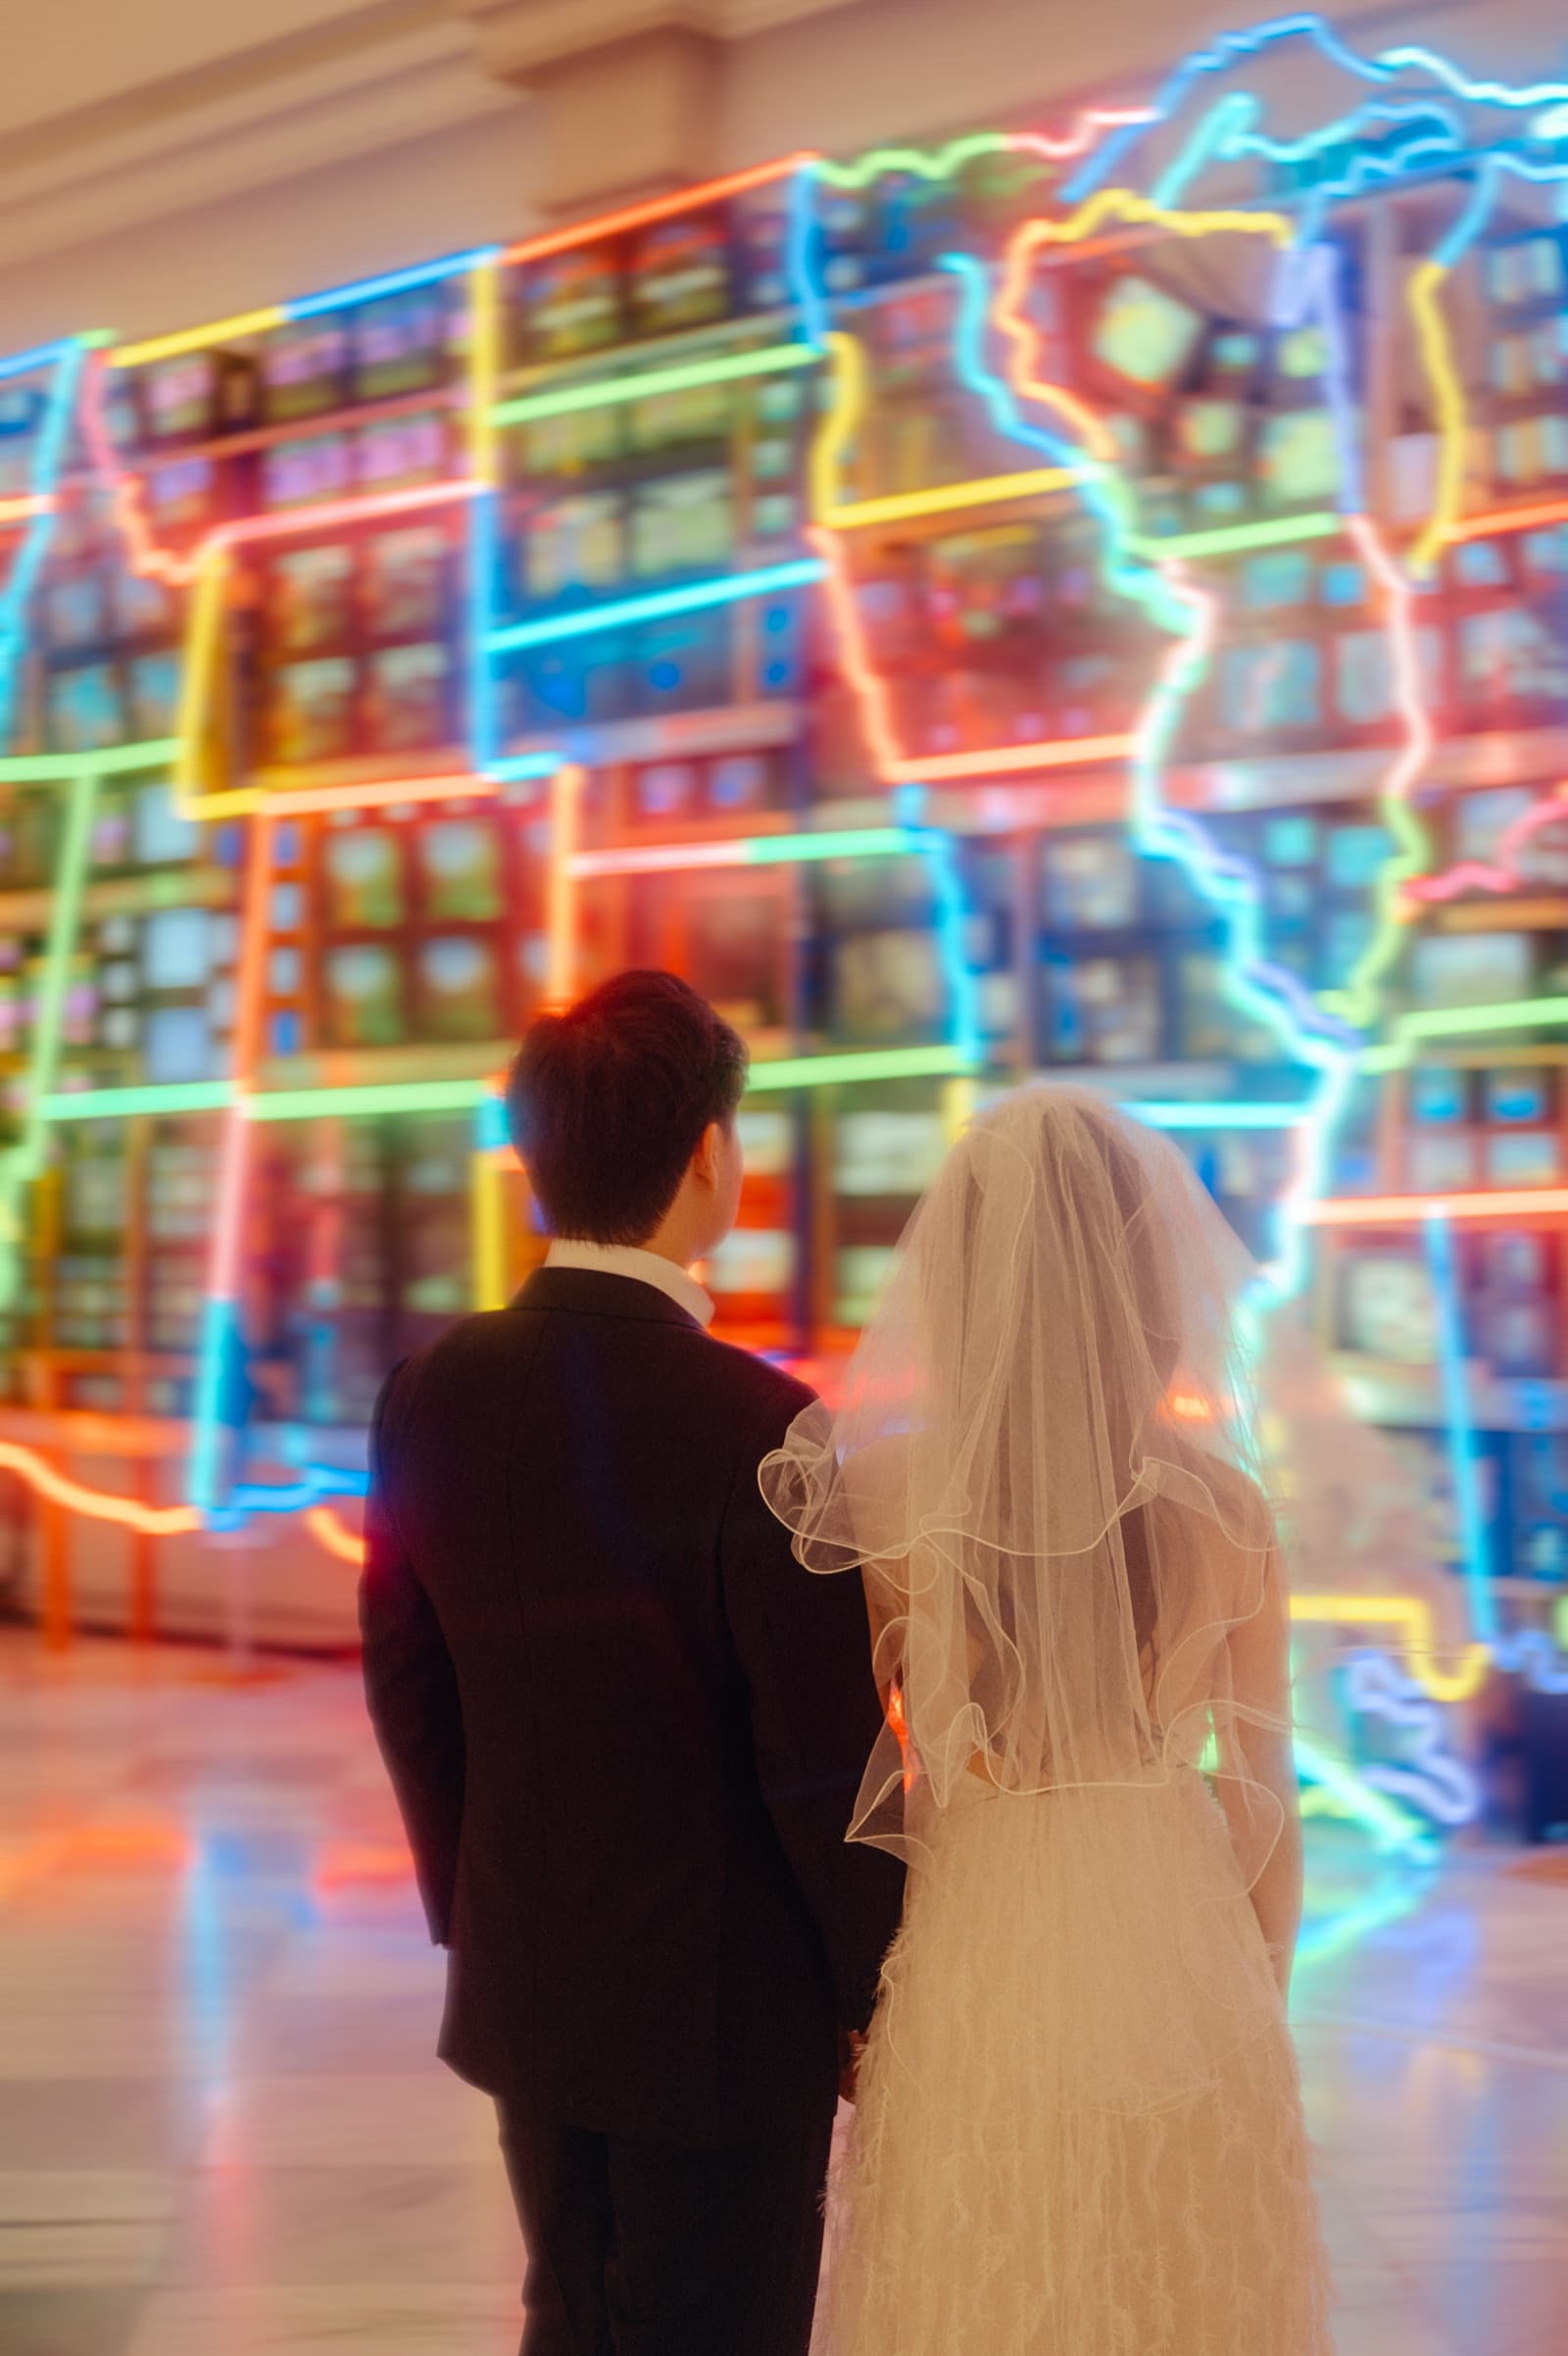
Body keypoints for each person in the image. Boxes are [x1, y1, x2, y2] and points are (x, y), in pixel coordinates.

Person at [360, 969, 905, 2356]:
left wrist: (475, 1909)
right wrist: (878, 1988)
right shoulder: (767, 1429)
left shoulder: (433, 1389)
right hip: (727, 2016)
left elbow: (408, 1684)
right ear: (712, 1157)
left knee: (573, 2310)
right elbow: (816, 1756)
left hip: (526, 1975)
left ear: (536, 1161)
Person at [761, 1084, 1334, 2356]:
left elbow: (880, 1772)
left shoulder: (902, 1498)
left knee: (993, 2270)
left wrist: (865, 2002)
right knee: (1176, 2280)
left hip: (987, 1935)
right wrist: (1257, 1997)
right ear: (1153, 1290)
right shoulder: (1228, 1511)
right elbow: (1263, 1792)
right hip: (1176, 1934)